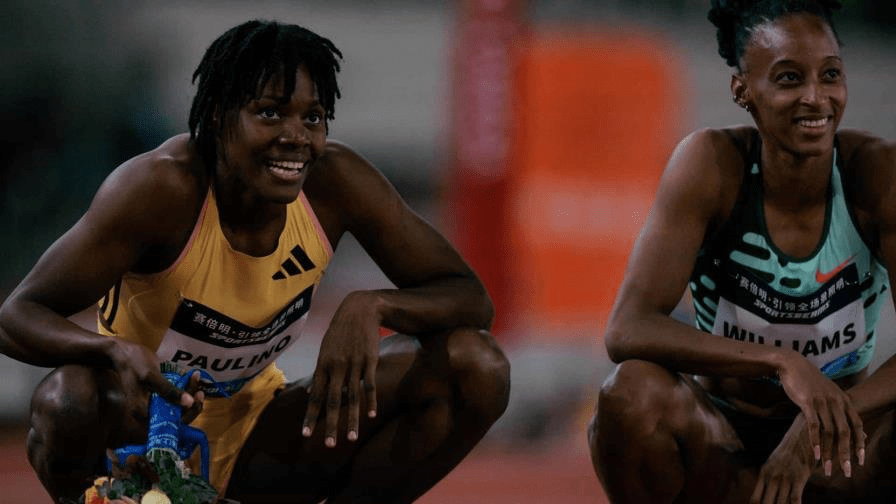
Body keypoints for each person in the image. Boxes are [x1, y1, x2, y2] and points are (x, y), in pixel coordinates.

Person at [0, 20, 510, 504]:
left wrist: (373, 305)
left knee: (476, 365)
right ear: (219, 115)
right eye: (270, 113)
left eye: (313, 117)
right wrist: (111, 352)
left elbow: (470, 298)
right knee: (67, 399)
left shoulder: (336, 184)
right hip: (140, 433)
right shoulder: (159, 189)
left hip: (258, 437)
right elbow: (17, 316)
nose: (296, 136)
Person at [587, 1, 896, 502]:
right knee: (631, 391)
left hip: (838, 453)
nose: (815, 97)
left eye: (830, 75)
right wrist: (781, 362)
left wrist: (819, 422)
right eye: (789, 78)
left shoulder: (877, 176)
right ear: (742, 90)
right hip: (723, 445)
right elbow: (628, 328)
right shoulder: (711, 166)